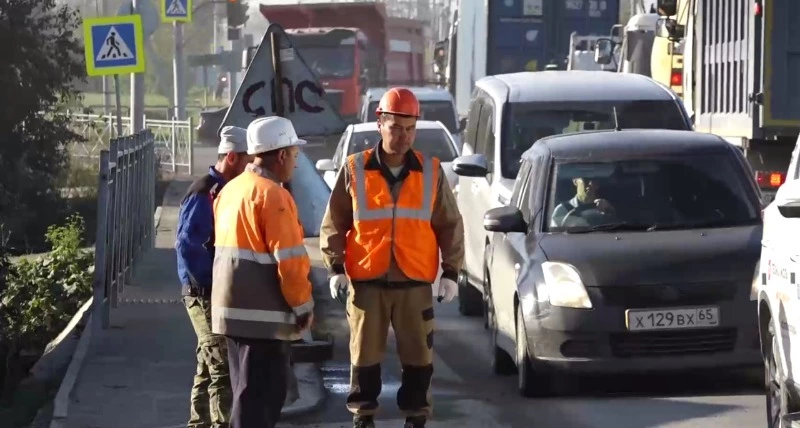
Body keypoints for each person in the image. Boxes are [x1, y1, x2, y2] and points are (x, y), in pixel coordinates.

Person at [319, 87, 465, 428]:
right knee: (364, 359)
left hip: (414, 283)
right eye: (396, 127)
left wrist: (451, 272)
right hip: (368, 283)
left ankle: (416, 419)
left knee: (418, 360)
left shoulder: (430, 171)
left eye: (410, 128)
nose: (403, 136)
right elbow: (334, 222)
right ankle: (363, 417)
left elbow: (450, 224)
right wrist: (336, 268)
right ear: (380, 124)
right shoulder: (355, 168)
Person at [211, 116, 315, 428]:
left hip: (231, 313)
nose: (296, 163)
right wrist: (304, 307)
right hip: (263, 320)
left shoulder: (231, 189)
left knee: (244, 394)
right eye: (295, 155)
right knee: (260, 402)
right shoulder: (273, 195)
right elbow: (290, 261)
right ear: (281, 155)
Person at [175, 126, 250, 428]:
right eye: (248, 161)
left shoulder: (226, 190)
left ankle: (198, 422)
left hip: (215, 291)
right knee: (221, 366)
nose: (251, 168)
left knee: (207, 365)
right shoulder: (205, 192)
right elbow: (187, 245)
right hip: (203, 292)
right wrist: (211, 283)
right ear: (232, 157)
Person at [550, 177, 616, 228]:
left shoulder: (606, 207)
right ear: (575, 181)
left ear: (597, 185)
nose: (590, 184)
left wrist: (610, 211)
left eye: (594, 180)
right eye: (585, 179)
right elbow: (555, 238)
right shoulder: (562, 210)